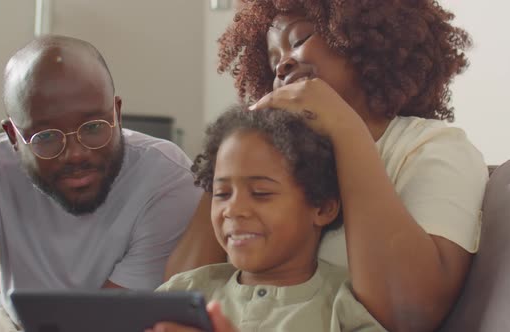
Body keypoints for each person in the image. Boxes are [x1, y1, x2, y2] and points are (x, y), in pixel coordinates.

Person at [165, 1, 489, 331]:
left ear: (367, 41)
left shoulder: (432, 147)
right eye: (273, 58)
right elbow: (178, 296)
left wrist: (346, 129)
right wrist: (235, 151)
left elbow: (410, 313)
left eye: (300, 39)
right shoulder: (278, 159)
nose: (282, 65)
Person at [0, 35, 201, 329]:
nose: (76, 154)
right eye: (47, 136)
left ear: (117, 113)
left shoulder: (166, 178)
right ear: (14, 137)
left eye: (93, 127)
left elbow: (102, 323)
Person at [151, 106, 388, 332]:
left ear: (323, 208)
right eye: (222, 194)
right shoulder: (182, 293)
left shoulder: (345, 304)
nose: (233, 209)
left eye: (260, 193)